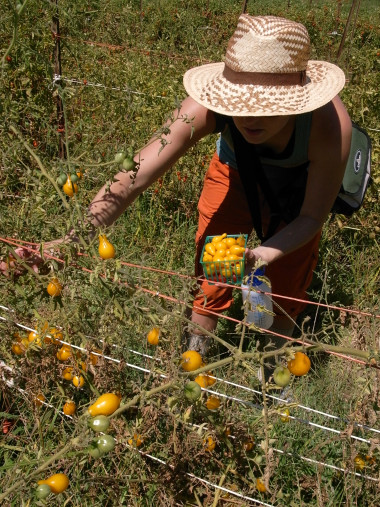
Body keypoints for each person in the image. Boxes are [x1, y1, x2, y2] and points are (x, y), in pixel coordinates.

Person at [2, 14, 352, 362]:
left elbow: (309, 218)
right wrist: (68, 243)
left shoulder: (329, 127)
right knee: (215, 271)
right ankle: (192, 367)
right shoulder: (204, 108)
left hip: (297, 191)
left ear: (298, 98)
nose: (248, 117)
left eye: (266, 106)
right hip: (235, 175)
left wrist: (261, 256)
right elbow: (132, 177)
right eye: (237, 102)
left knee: (287, 286)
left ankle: (275, 377)